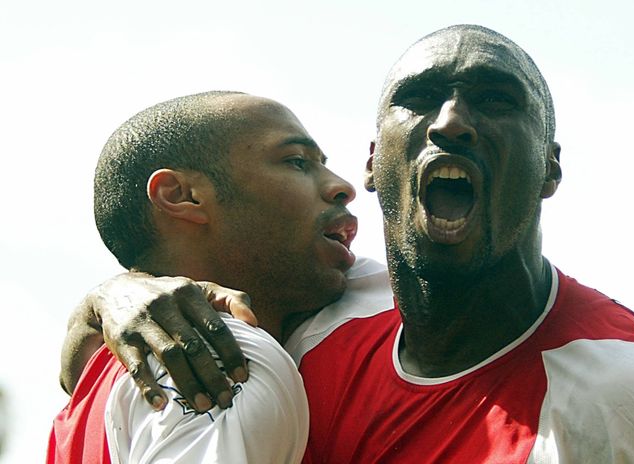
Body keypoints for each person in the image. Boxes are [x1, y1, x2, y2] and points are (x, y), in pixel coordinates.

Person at [63, 26, 634, 463]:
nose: (453, 123)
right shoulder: (313, 316)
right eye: (421, 98)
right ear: (376, 163)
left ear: (550, 167)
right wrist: (119, 290)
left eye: (496, 100)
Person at [48, 91, 394, 463]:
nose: (342, 186)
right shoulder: (216, 362)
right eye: (296, 161)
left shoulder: (81, 406)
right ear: (183, 195)